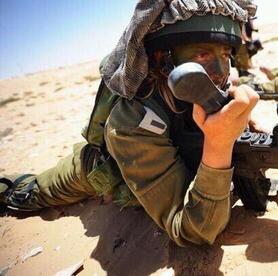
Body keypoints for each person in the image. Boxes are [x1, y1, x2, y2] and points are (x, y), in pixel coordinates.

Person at [0, 0, 260, 247]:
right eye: (202, 55)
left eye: (226, 54)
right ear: (162, 58)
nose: (221, 69)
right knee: (25, 193)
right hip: (96, 171)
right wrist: (219, 143)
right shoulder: (132, 120)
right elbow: (193, 231)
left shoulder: (207, 89)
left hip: (154, 163)